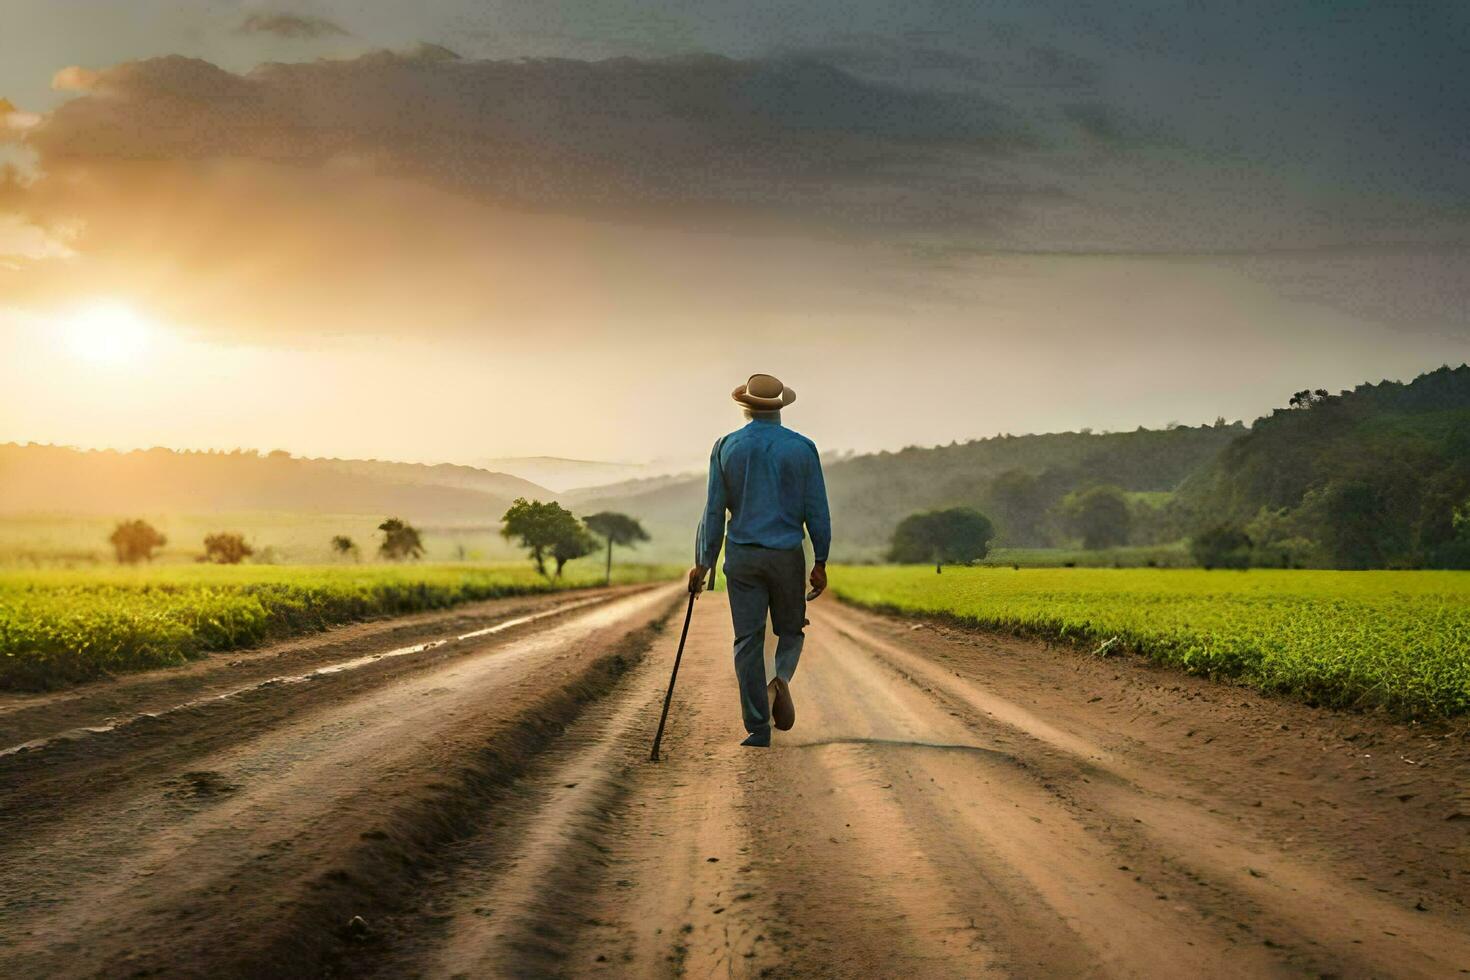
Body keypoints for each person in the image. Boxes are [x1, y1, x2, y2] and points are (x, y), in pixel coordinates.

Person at [688, 373, 831, 747]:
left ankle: (757, 727)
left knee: (747, 641)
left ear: (745, 406)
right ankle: (780, 678)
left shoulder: (726, 447)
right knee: (791, 629)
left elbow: (714, 511)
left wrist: (703, 562)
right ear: (780, 406)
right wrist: (821, 560)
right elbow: (817, 509)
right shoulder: (803, 449)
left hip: (743, 557)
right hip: (786, 555)